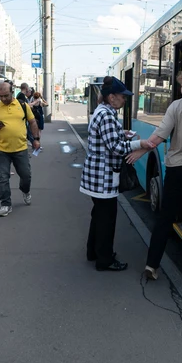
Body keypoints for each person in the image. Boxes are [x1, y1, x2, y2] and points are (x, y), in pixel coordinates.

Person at [127, 68, 182, 281]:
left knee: (165, 218)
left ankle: (152, 265)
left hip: (177, 170)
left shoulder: (176, 107)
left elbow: (159, 137)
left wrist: (140, 151)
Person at [79, 76, 144, 272]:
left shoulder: (102, 112)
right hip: (104, 176)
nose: (125, 100)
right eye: (122, 96)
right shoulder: (107, 115)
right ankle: (104, 260)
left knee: (99, 215)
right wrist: (140, 144)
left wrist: (122, 134)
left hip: (97, 175)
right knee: (107, 219)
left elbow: (107, 138)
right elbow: (115, 147)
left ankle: (93, 252)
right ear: (112, 97)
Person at [0, 81, 41, 216]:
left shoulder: (22, 105)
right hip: (1, 149)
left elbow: (32, 122)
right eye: (1, 96)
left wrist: (36, 139)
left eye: (6, 96)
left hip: (20, 148)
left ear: (12, 92)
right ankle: (5, 204)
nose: (3, 99)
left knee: (26, 176)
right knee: (2, 177)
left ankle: (25, 190)